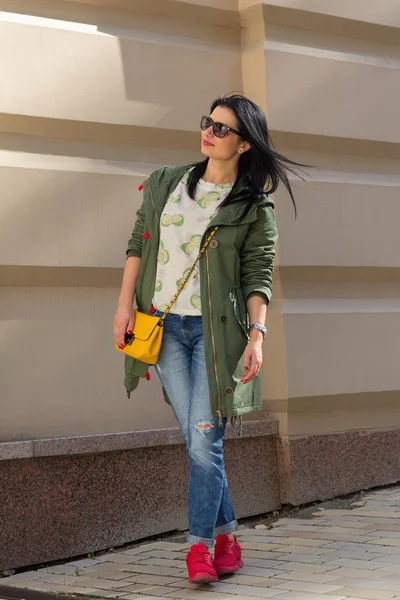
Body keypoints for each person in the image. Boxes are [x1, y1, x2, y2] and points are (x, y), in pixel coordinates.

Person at [113, 94, 301, 584]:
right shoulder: (165, 184)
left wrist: (257, 336)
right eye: (208, 124)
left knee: (201, 440)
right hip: (164, 328)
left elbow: (258, 274)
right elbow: (138, 243)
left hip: (217, 337)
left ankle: (198, 549)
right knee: (201, 441)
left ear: (242, 144)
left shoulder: (253, 206)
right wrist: (123, 306)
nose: (210, 133)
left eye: (222, 129)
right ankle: (227, 535)